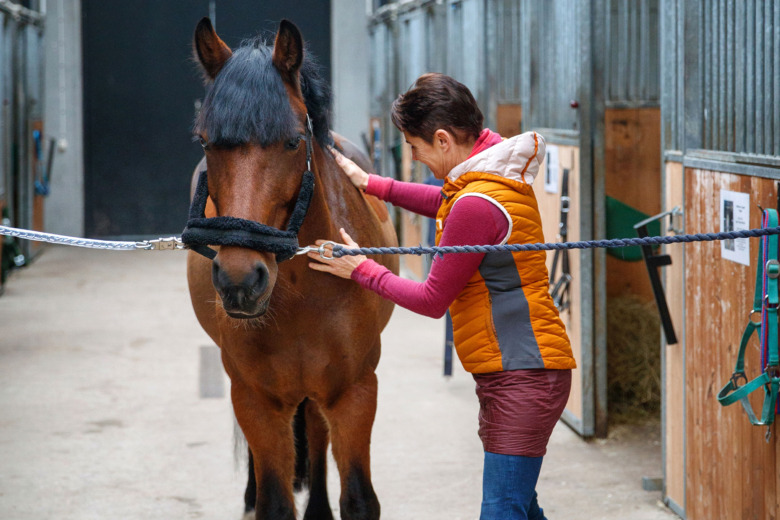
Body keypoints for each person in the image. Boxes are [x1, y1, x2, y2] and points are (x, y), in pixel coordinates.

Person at [308, 73, 576, 520]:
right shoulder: (488, 177)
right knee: (521, 507)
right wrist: (373, 184)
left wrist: (362, 269)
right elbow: (445, 202)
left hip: (522, 375)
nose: (414, 158)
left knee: (502, 510)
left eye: (415, 148)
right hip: (520, 369)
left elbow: (432, 300)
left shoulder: (477, 201)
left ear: (443, 140)